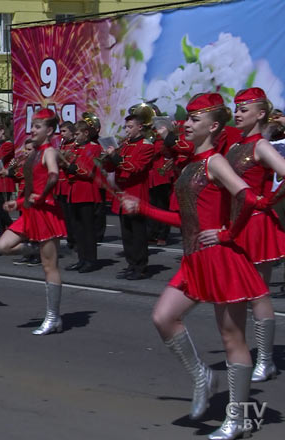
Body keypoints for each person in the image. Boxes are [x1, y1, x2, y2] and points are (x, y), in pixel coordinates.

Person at [121, 93, 267, 440]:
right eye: (187, 119)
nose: (186, 124)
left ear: (213, 126)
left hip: (221, 258)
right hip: (194, 258)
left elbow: (247, 196)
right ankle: (202, 375)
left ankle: (239, 419)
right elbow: (185, 220)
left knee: (233, 339)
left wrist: (228, 232)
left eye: (194, 120)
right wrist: (142, 208)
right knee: (163, 317)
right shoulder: (190, 166)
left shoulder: (215, 161)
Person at [225, 87, 285, 383]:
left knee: (258, 295)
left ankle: (266, 360)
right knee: (236, 294)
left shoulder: (261, 145)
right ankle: (243, 353)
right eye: (236, 109)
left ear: (260, 114)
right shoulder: (236, 145)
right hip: (235, 223)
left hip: (257, 225)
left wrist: (269, 201)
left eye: (243, 110)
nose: (237, 114)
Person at [0, 109, 67, 335]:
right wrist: (17, 204)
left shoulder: (49, 152)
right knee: (3, 246)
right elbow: (30, 187)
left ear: (49, 130)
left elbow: (54, 175)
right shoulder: (33, 154)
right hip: (29, 212)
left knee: (50, 267)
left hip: (45, 213)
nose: (32, 130)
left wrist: (44, 194)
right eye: (32, 126)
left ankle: (53, 317)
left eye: (37, 127)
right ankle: (33, 250)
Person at [102, 103, 156, 280]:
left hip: (136, 193)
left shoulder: (146, 146)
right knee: (126, 234)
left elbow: (136, 168)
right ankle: (131, 263)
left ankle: (140, 266)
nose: (127, 130)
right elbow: (111, 167)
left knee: (138, 234)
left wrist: (115, 157)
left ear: (140, 127)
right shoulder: (124, 145)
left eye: (130, 127)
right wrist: (108, 158)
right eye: (126, 126)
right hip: (122, 194)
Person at [64, 114, 103, 273]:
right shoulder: (74, 148)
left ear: (86, 133)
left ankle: (91, 260)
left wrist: (71, 167)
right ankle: (81, 258)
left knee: (87, 228)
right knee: (77, 228)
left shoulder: (94, 147)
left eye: (77, 134)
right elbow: (69, 171)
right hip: (74, 191)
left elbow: (87, 171)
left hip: (86, 191)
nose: (75, 138)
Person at [56, 121, 77, 249]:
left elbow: (72, 162)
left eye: (64, 131)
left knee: (72, 215)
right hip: (61, 183)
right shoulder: (63, 144)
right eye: (61, 131)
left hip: (69, 182)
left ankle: (74, 239)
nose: (62, 134)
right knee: (65, 214)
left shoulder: (75, 145)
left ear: (71, 131)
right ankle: (69, 237)